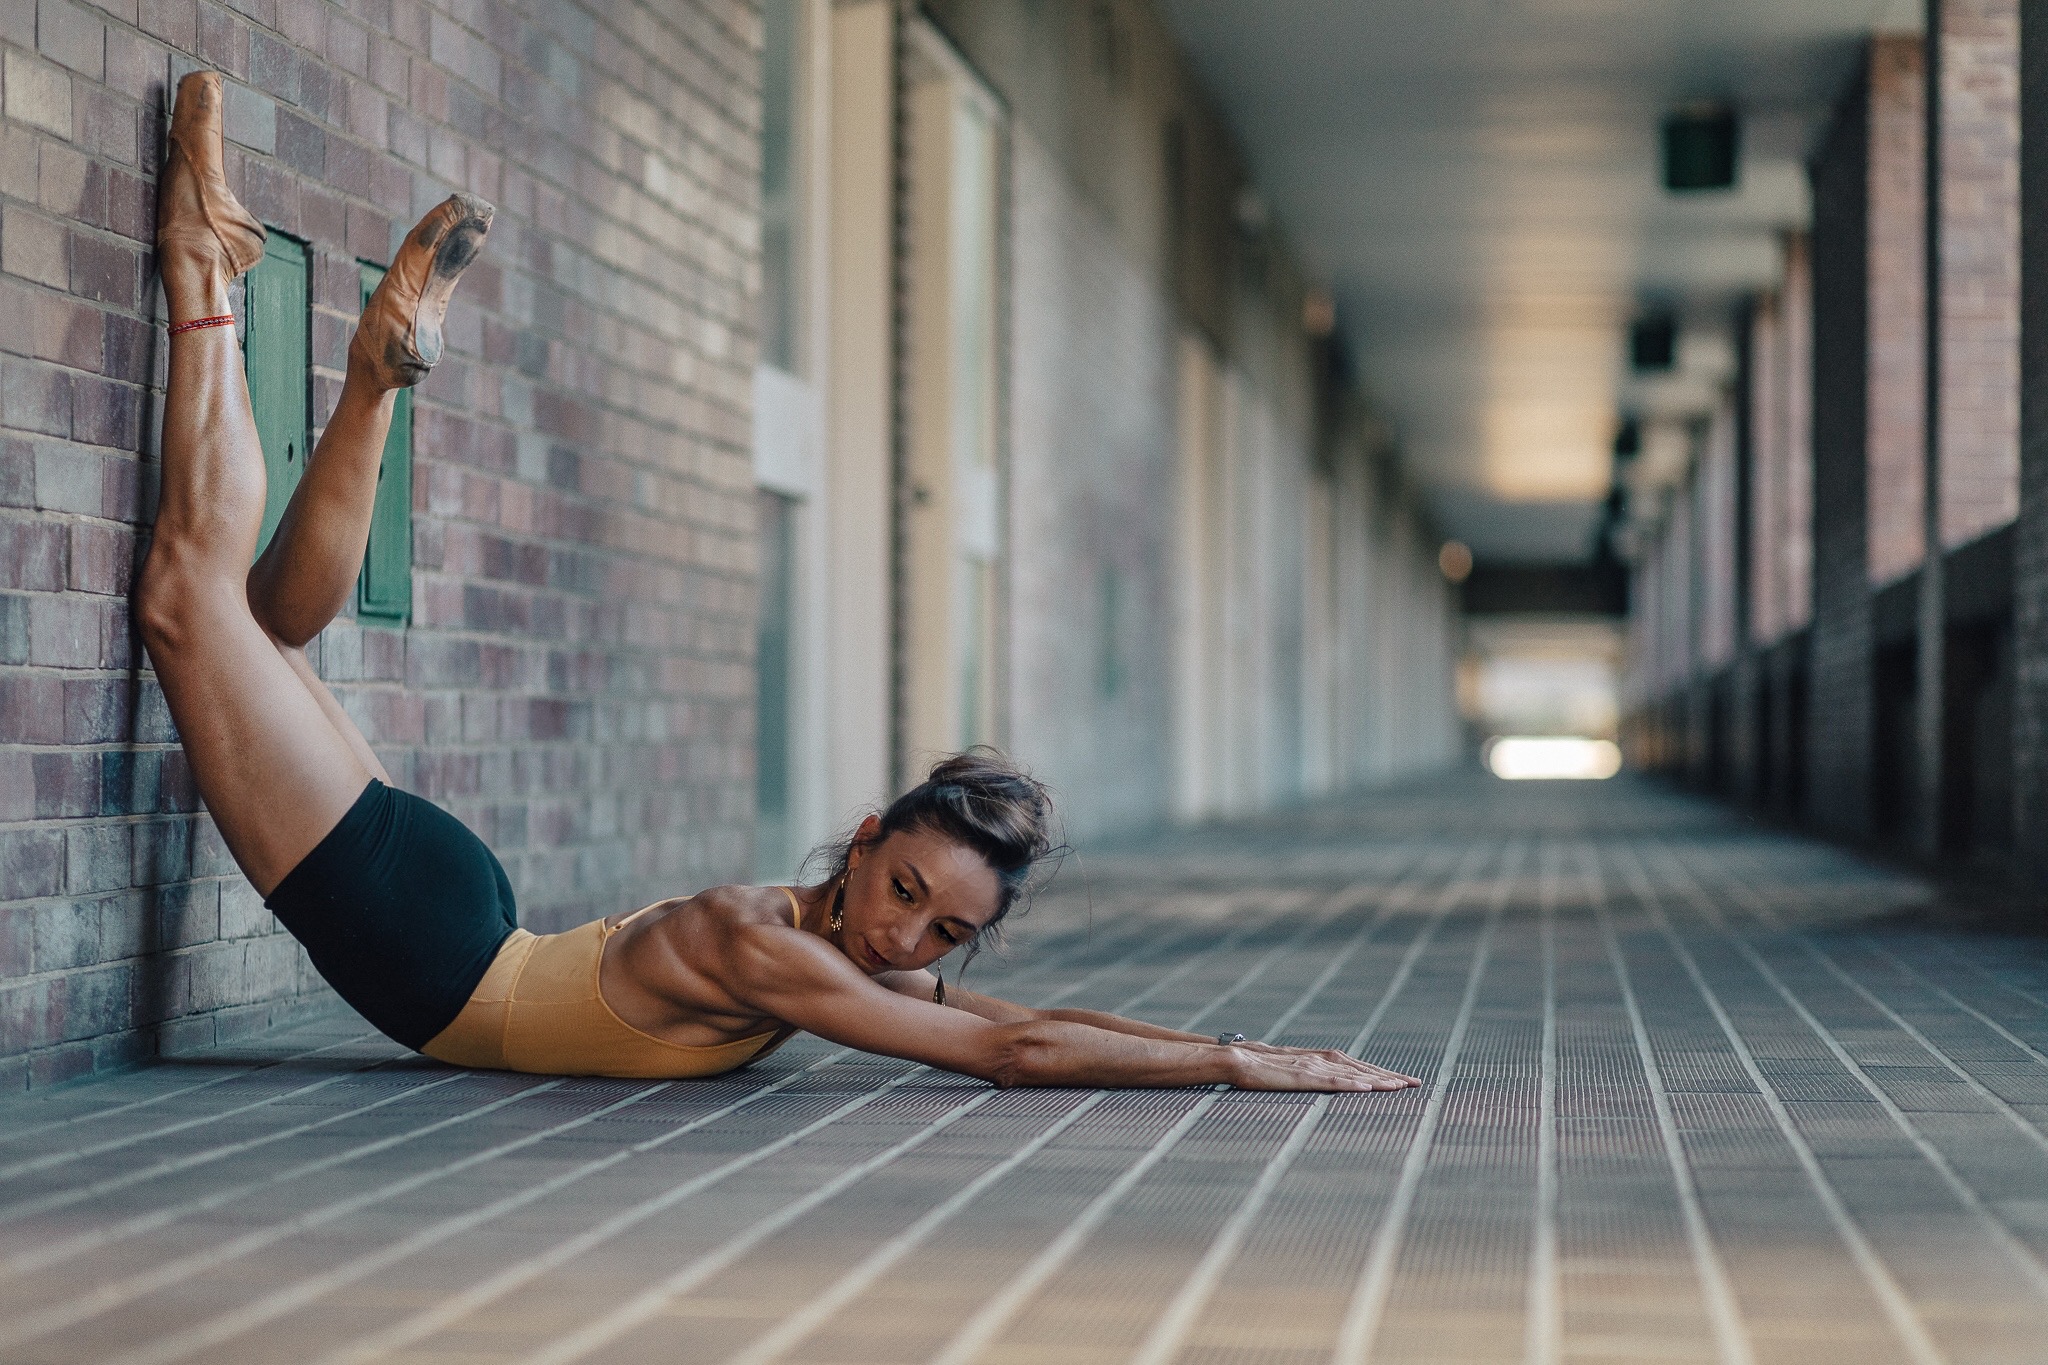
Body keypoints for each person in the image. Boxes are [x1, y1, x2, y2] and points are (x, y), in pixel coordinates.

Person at [139, 71, 1419, 1094]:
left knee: (268, 626)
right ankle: (207, 273)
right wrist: (1237, 1066)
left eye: (942, 934)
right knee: (195, 606)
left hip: (459, 930)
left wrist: (1216, 1042)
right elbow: (1005, 1057)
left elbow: (1024, 1018)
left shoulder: (834, 941)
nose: (905, 943)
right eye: (906, 892)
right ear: (864, 843)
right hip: (424, 942)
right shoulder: (765, 946)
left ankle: (372, 381)